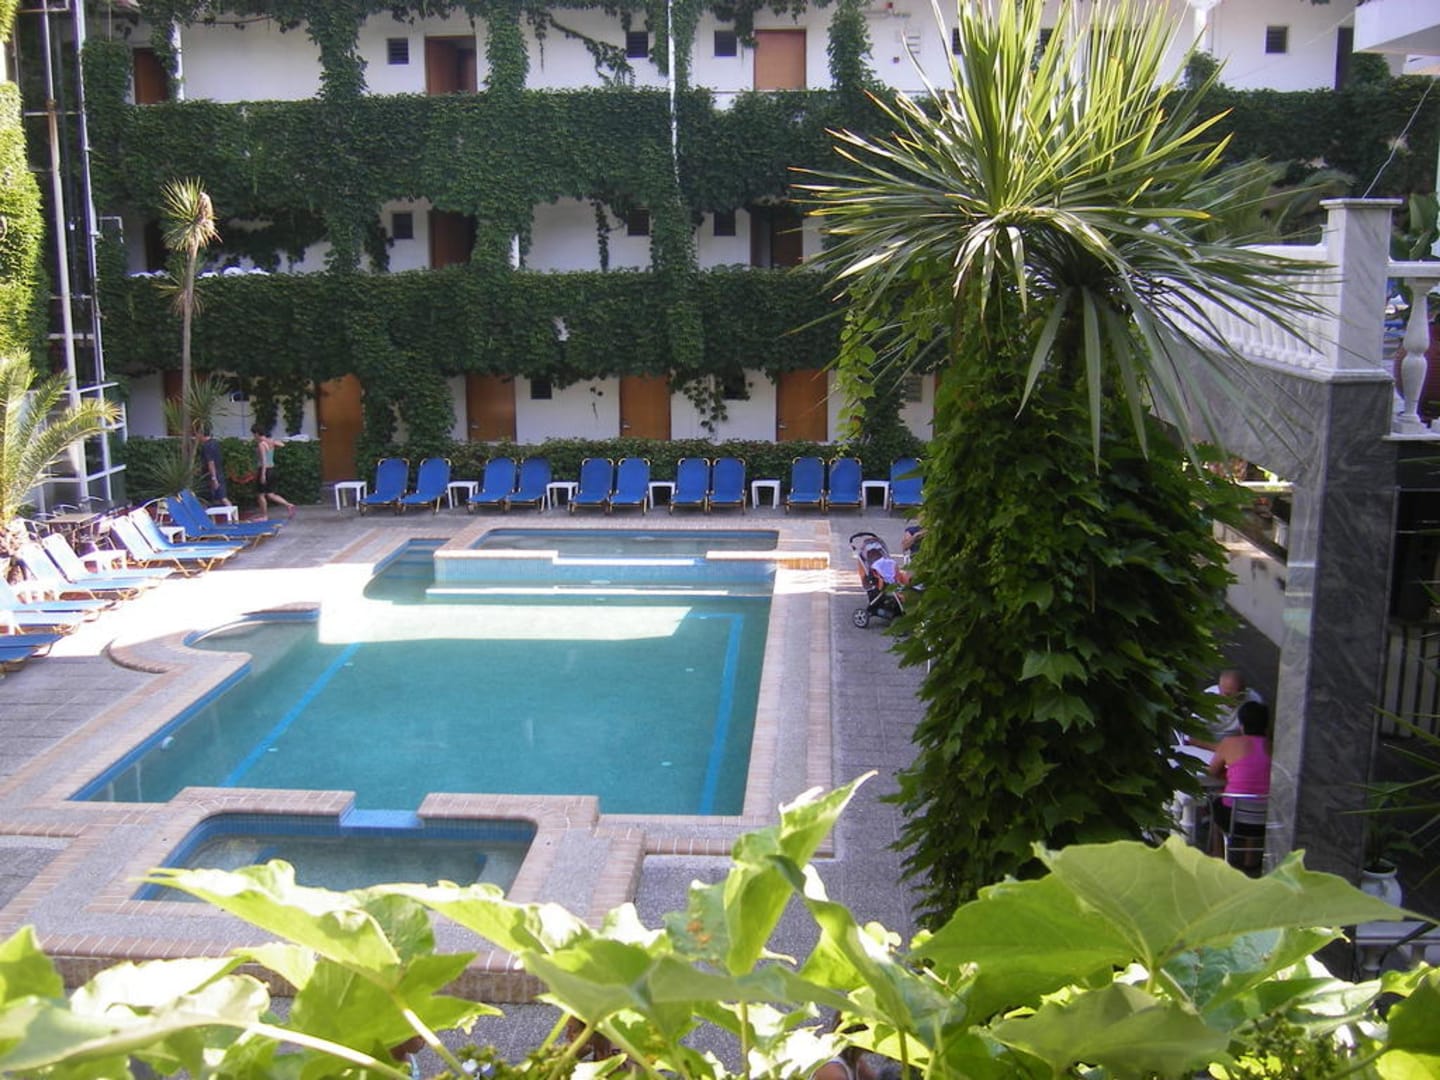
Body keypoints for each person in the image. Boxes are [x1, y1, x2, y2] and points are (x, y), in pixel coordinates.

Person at [1207, 700, 1271, 857]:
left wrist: (1229, 775)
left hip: (1233, 820)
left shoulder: (1229, 743)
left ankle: (1218, 854)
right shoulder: (1274, 747)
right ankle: (1250, 859)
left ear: (1241, 724)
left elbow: (1212, 772)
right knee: (1256, 798)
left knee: (1216, 802)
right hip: (1267, 820)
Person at [1190, 668, 1263, 749]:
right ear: (1219, 689)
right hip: (1207, 744)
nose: (1232, 699)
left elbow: (1257, 735)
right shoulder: (1207, 699)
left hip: (1235, 744)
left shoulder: (1253, 701)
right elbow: (1192, 737)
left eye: (1238, 695)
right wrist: (1222, 749)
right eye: (1227, 694)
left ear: (1244, 691)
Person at [251, 424, 296, 519]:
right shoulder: (270, 441)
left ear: (257, 434)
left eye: (254, 434)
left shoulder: (261, 444)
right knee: (270, 494)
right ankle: (288, 505)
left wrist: (262, 474)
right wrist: (273, 442)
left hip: (264, 469)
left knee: (260, 494)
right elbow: (282, 444)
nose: (254, 436)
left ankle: (264, 515)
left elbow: (264, 460)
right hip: (272, 469)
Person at [196, 425, 231, 507]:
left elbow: (211, 462)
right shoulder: (215, 443)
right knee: (222, 497)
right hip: (219, 472)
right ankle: (232, 513)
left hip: (212, 475)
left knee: (222, 498)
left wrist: (213, 478)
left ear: (201, 434)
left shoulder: (206, 446)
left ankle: (232, 513)